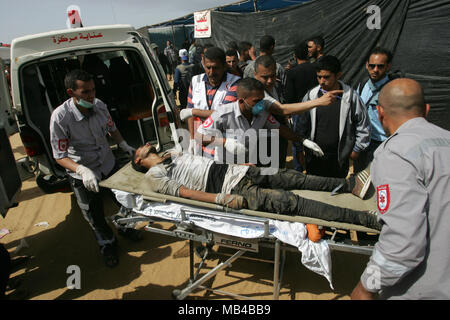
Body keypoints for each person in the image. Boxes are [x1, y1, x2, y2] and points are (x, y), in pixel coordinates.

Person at [130, 143, 381, 232]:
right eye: (139, 150)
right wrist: (221, 199)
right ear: (139, 161)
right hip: (235, 190)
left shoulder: (171, 153)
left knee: (294, 177)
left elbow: (206, 162)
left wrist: (238, 163)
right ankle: (364, 219)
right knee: (292, 202)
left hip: (239, 170)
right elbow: (184, 193)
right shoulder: (154, 174)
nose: (143, 145)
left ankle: (349, 184)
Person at [351, 78, 450, 300]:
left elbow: (402, 243)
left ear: (379, 112)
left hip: (424, 290)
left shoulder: (395, 154)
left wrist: (367, 285)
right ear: (426, 110)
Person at [49, 70, 141, 268]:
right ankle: (107, 244)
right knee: (94, 213)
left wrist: (123, 144)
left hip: (108, 165)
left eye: (93, 90)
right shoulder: (61, 118)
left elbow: (111, 127)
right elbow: (60, 156)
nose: (91, 96)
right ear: (71, 92)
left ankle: (125, 228)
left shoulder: (99, 106)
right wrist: (81, 170)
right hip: (83, 174)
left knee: (122, 200)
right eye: (85, 92)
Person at [181, 78, 338, 166]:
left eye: (262, 99)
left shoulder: (261, 112)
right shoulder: (224, 113)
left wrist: (302, 140)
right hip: (225, 166)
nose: (262, 104)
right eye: (257, 101)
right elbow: (199, 135)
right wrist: (224, 141)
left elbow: (279, 128)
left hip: (250, 164)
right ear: (242, 101)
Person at [295, 55, 370, 178]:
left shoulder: (350, 97)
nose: (322, 81)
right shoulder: (312, 95)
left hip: (339, 158)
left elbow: (363, 124)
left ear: (338, 75)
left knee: (335, 190)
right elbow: (301, 124)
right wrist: (299, 149)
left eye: (326, 77)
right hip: (314, 157)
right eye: (319, 77)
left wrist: (357, 148)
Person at [186, 47, 241, 157]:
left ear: (224, 66)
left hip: (224, 145)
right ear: (203, 64)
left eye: (216, 68)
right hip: (200, 144)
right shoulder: (195, 81)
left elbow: (222, 114)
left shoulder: (235, 83)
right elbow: (189, 114)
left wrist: (194, 111)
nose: (211, 72)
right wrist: (192, 138)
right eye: (208, 67)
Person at [353, 47, 394, 173]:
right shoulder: (362, 84)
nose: (375, 70)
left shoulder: (393, 89)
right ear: (367, 65)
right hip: (363, 143)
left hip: (382, 144)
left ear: (388, 67)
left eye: (380, 66)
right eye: (372, 66)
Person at [286, 41, 319, 172]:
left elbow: (289, 96)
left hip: (298, 110)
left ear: (294, 56)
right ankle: (312, 165)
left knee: (297, 140)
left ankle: (298, 169)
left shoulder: (292, 73)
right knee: (312, 138)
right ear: (308, 54)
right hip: (315, 108)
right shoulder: (316, 69)